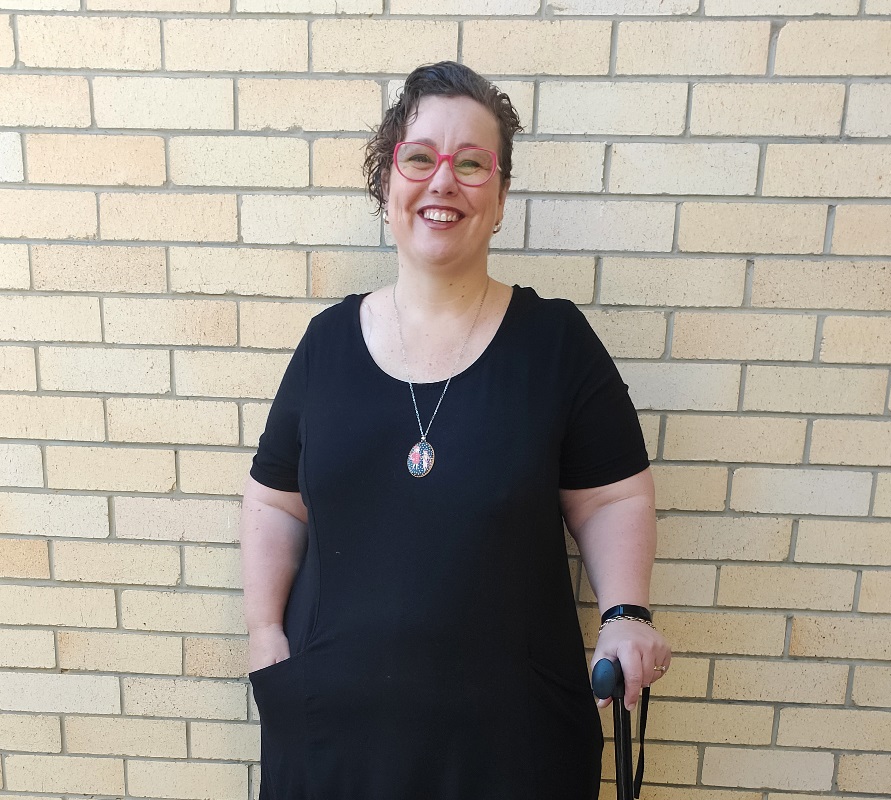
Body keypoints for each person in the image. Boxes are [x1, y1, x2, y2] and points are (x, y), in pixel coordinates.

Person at [240, 61, 671, 800]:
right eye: (419, 158)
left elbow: (610, 500)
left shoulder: (556, 343)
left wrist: (625, 614)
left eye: (471, 164)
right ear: (386, 185)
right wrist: (264, 638)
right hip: (333, 743)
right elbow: (275, 502)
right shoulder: (326, 344)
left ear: (500, 197)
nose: (443, 181)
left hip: (511, 748)